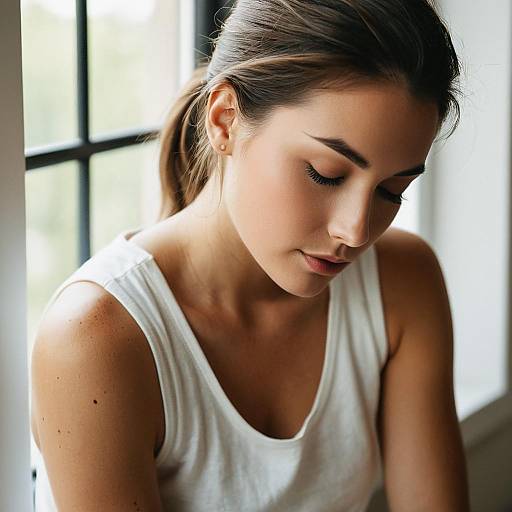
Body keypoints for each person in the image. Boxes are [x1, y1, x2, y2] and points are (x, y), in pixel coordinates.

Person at [30, 0, 471, 510]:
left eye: (392, 191)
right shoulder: (96, 338)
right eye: (325, 173)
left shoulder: (402, 282)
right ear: (224, 120)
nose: (355, 230)